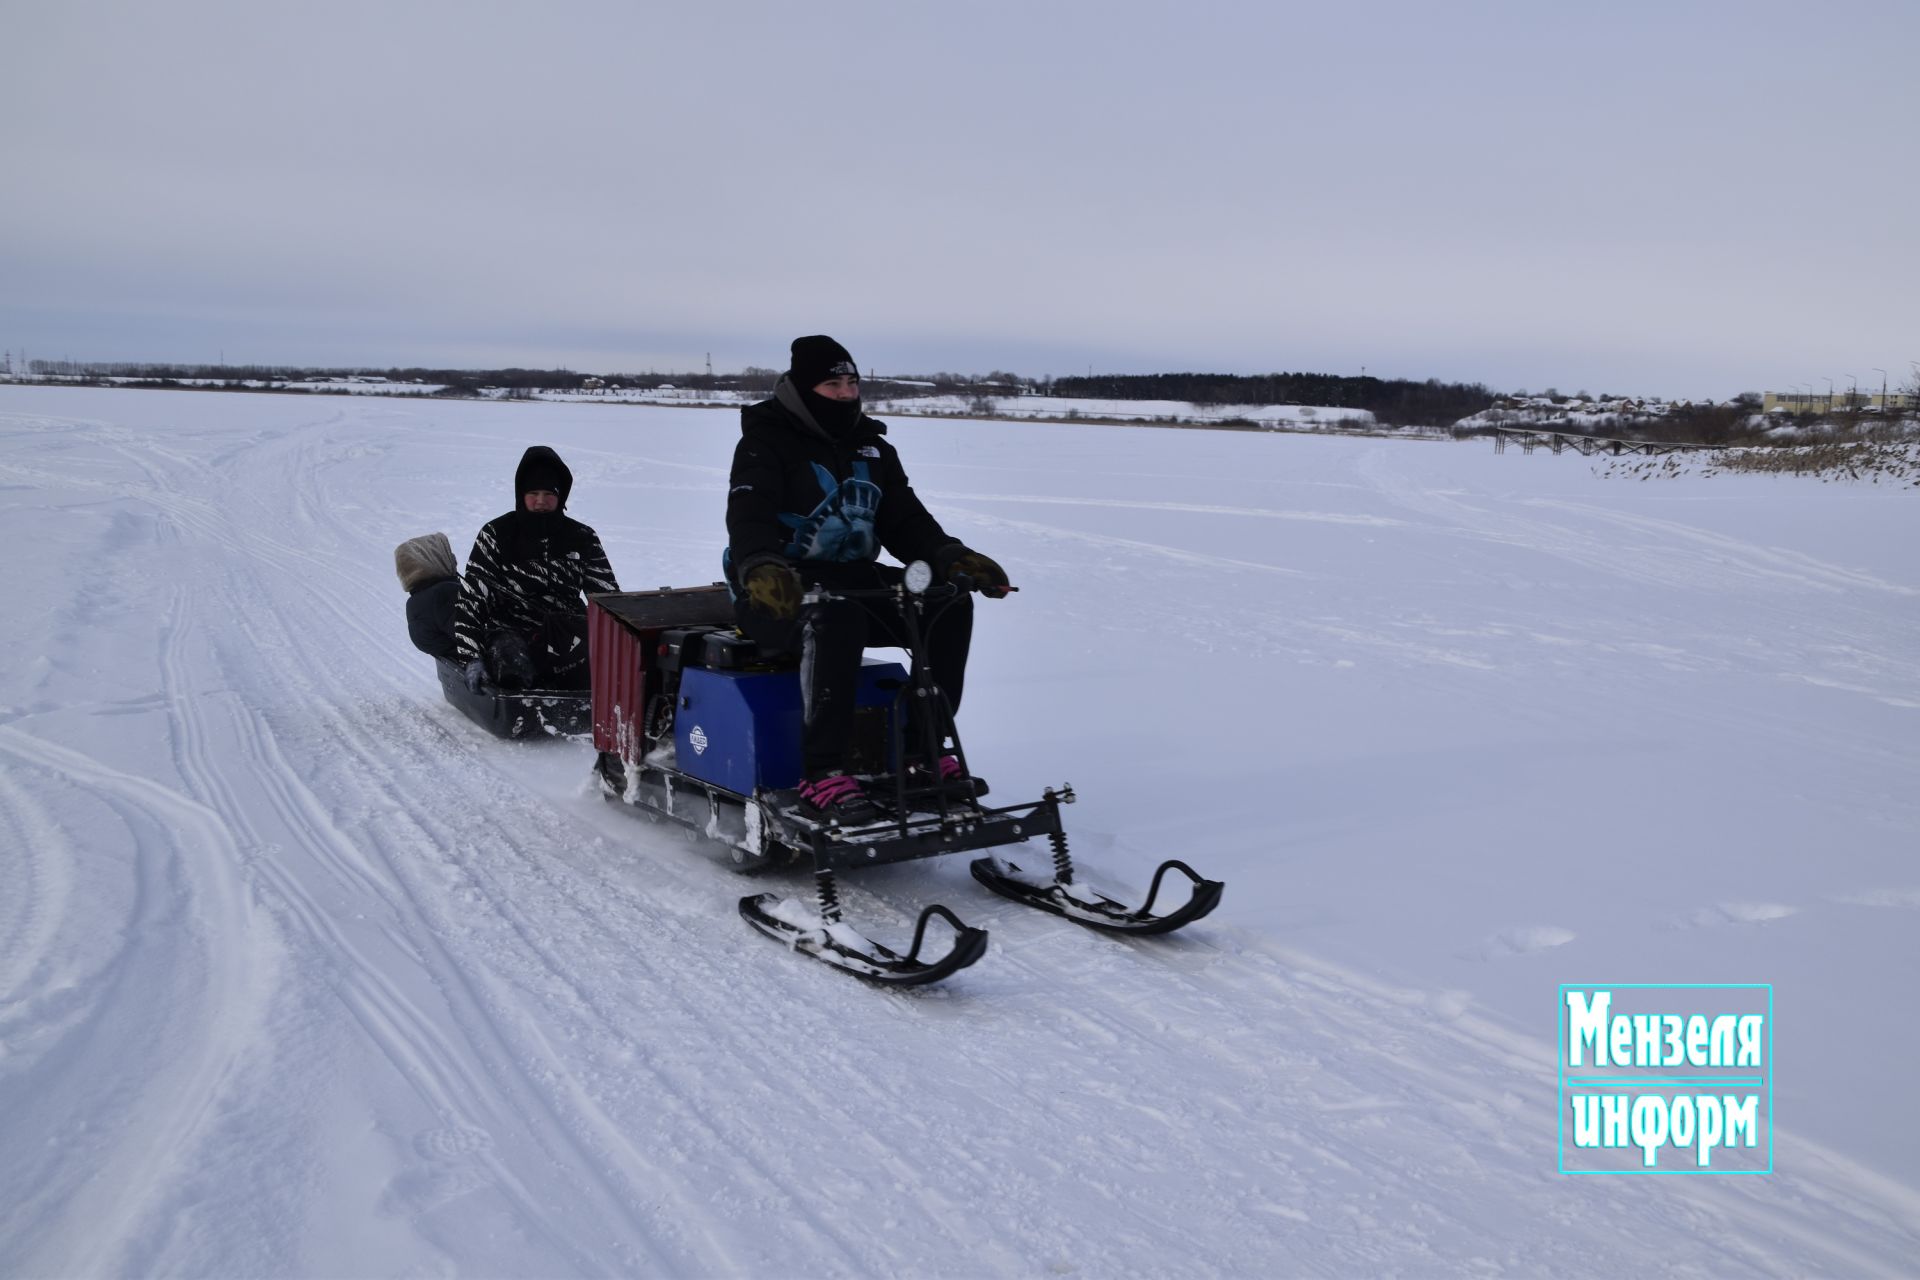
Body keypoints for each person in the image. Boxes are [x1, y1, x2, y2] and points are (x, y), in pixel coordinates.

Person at [726, 335, 1010, 820]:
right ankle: (822, 774)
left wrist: (950, 556)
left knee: (946, 603)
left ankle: (922, 755)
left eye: (851, 382)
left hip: (853, 577)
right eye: (832, 383)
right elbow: (748, 516)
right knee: (833, 614)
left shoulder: (874, 448)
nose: (844, 392)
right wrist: (761, 566)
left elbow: (905, 522)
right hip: (775, 590)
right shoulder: (763, 441)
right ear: (801, 387)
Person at [453, 445, 619, 692]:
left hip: (568, 630)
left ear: (561, 495)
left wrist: (620, 645)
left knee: (599, 674)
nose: (541, 501)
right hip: (511, 631)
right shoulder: (496, 534)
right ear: (521, 494)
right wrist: (471, 657)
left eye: (548, 493)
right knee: (511, 669)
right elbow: (472, 599)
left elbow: (607, 598)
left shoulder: (582, 536)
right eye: (533, 493)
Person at [394, 531, 460, 659]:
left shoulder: (414, 604)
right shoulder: (443, 593)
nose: (453, 559)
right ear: (433, 560)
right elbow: (471, 634)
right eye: (447, 555)